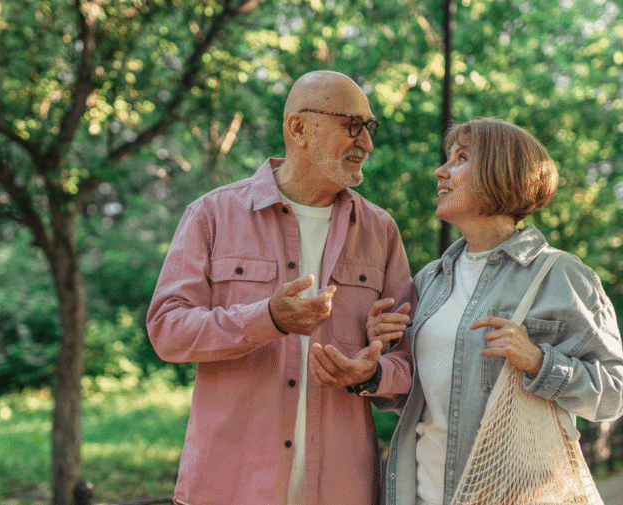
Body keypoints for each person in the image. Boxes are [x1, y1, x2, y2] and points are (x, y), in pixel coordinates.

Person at [146, 70, 415, 505]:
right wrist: (267, 319)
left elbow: (410, 362)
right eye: (352, 125)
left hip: (342, 489)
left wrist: (372, 373)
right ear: (299, 128)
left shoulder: (380, 231)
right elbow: (167, 329)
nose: (366, 143)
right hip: (229, 486)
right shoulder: (212, 214)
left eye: (369, 127)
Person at [371, 117, 623, 505]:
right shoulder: (429, 281)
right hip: (420, 493)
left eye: (461, 158)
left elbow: (613, 396)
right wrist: (379, 353)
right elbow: (418, 396)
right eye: (447, 158)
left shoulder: (561, 274)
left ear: (499, 173)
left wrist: (539, 362)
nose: (441, 171)